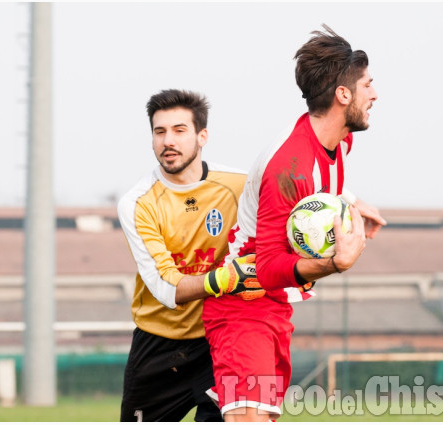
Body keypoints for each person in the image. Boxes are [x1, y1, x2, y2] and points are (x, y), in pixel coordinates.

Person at [202, 25, 387, 421]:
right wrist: (336, 263)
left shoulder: (338, 140)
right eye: (368, 85)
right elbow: (268, 270)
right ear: (343, 95)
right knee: (247, 418)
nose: (375, 94)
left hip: (275, 311)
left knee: (261, 418)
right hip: (244, 305)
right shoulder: (288, 168)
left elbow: (321, 185)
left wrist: (352, 201)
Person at [117, 89, 263, 422]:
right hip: (159, 345)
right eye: (159, 131)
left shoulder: (239, 185)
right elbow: (166, 289)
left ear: (202, 136)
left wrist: (349, 201)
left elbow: (293, 188)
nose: (168, 140)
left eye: (179, 130)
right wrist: (227, 278)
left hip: (224, 339)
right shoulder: (137, 202)